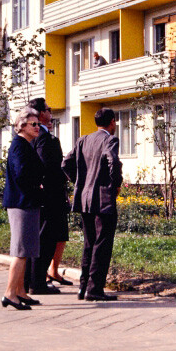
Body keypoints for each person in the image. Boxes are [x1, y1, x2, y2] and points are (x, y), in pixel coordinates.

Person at [62, 107, 122, 301]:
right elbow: (112, 160)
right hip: (103, 200)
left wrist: (80, 182)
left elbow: (65, 164)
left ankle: (83, 287)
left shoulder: (83, 140)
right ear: (112, 122)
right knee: (102, 244)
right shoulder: (110, 140)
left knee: (89, 243)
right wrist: (115, 185)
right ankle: (94, 289)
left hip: (84, 198)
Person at [26, 98, 72, 294]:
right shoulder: (43, 138)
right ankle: (37, 283)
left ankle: (33, 281)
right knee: (45, 240)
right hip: (50, 196)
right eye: (48, 109)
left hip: (47, 194)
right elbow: (48, 167)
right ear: (39, 114)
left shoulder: (37, 136)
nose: (51, 112)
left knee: (44, 238)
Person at [1, 106, 45, 310]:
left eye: (39, 124)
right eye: (34, 124)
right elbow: (21, 173)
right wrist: (37, 184)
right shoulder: (19, 145)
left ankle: (20, 291)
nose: (38, 127)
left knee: (24, 249)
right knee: (20, 250)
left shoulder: (25, 144)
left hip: (25, 201)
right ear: (22, 125)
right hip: (22, 202)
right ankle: (10, 293)